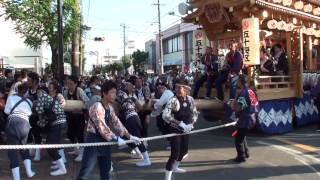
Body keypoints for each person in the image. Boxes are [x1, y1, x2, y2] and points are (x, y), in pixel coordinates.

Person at [76, 80, 141, 180]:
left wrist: (130, 136)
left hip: (105, 142)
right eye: (112, 92)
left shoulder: (110, 108)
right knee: (85, 172)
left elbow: (117, 123)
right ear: (104, 93)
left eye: (115, 92)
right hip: (94, 141)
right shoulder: (96, 106)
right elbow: (102, 127)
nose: (114, 95)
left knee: (106, 171)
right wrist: (116, 138)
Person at [162, 78, 198, 180]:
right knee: (175, 153)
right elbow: (165, 116)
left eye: (180, 87)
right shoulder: (173, 100)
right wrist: (180, 124)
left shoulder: (190, 99)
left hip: (186, 129)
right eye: (176, 87)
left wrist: (191, 124)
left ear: (186, 89)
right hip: (175, 130)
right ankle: (167, 176)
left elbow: (195, 113)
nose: (177, 89)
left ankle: (175, 167)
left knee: (184, 151)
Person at [4, 82, 35, 180]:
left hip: (13, 123)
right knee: (24, 148)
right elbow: (30, 113)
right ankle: (29, 172)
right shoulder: (29, 101)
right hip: (25, 125)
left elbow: (6, 111)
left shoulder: (11, 98)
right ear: (26, 92)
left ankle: (17, 178)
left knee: (12, 151)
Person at [117, 81, 151, 166]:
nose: (133, 87)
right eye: (131, 86)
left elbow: (140, 107)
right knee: (127, 136)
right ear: (125, 86)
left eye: (132, 86)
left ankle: (146, 159)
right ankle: (139, 153)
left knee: (137, 139)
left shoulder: (128, 96)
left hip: (132, 118)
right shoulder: (122, 94)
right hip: (132, 118)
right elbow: (139, 107)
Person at [231, 75, 259, 163]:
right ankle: (246, 153)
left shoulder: (243, 93)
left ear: (241, 82)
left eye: (238, 81)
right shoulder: (250, 91)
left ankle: (241, 156)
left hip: (245, 118)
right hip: (252, 116)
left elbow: (238, 108)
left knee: (238, 139)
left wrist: (235, 99)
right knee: (242, 135)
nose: (237, 83)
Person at [63, 75, 89, 162]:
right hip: (70, 115)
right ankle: (76, 149)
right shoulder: (65, 92)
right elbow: (64, 103)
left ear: (76, 84)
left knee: (80, 134)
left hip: (80, 116)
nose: (69, 86)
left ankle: (82, 153)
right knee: (71, 133)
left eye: (71, 84)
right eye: (68, 84)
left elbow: (87, 102)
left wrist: (80, 109)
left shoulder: (79, 91)